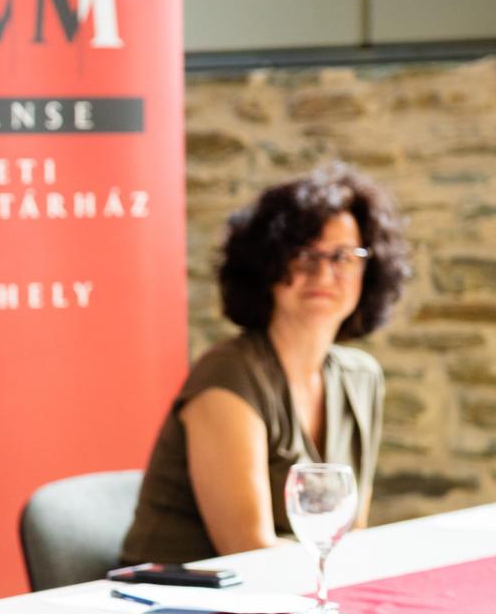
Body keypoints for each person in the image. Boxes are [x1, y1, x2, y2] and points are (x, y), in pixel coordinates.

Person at [120, 163, 410, 566]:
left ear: (369, 270)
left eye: (343, 256)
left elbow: (349, 532)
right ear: (266, 265)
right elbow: (247, 548)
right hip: (183, 596)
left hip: (292, 590)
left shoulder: (362, 377)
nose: (324, 272)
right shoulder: (229, 373)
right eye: (303, 254)